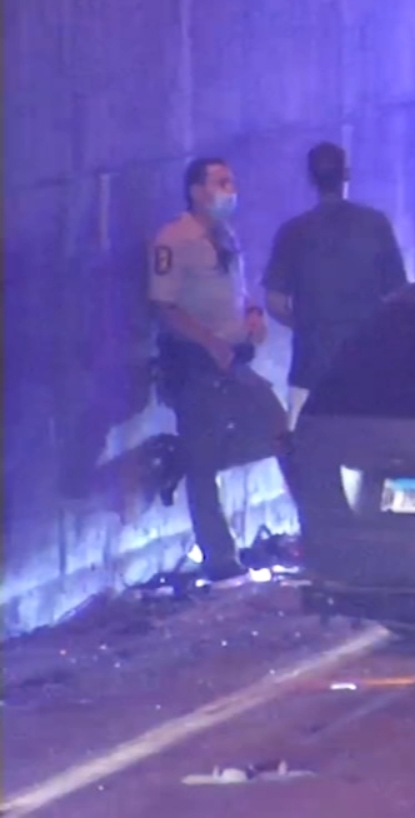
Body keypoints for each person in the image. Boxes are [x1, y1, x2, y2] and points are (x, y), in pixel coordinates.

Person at [150, 157, 291, 585]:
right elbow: (164, 305)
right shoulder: (175, 239)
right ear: (196, 190)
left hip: (234, 359)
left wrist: (252, 316)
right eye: (221, 182)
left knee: (277, 430)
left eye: (231, 181)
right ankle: (220, 560)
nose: (231, 189)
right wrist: (209, 343)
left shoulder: (225, 235)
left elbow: (237, 291)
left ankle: (183, 461)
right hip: (196, 365)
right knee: (203, 464)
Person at [263, 143, 409, 428]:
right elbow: (397, 295)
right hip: (367, 366)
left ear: (309, 178)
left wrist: (308, 323)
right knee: (369, 457)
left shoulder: (293, 232)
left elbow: (275, 302)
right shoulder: (375, 225)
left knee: (312, 459)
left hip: (310, 367)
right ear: (347, 174)